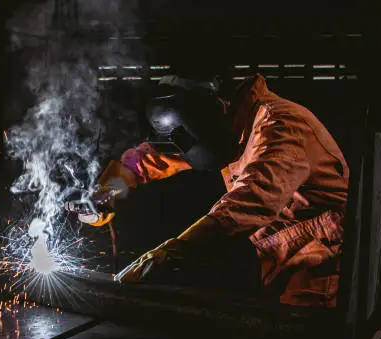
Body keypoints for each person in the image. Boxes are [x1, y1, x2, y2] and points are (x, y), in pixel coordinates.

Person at [75, 68, 349, 308]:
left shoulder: (281, 127)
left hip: (323, 260)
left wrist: (171, 253)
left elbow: (249, 202)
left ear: (215, 107)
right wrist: (105, 193)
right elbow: (152, 158)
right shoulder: (224, 126)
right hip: (276, 252)